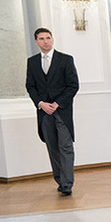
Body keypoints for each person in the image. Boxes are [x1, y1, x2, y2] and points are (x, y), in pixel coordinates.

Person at [25, 27, 80, 196]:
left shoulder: (65, 59)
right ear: (36, 42)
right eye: (41, 39)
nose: (45, 41)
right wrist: (41, 104)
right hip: (44, 113)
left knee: (66, 147)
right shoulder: (32, 62)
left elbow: (73, 86)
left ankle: (67, 184)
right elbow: (30, 86)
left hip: (61, 111)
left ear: (52, 39)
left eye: (48, 38)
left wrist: (56, 104)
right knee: (52, 148)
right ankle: (60, 181)